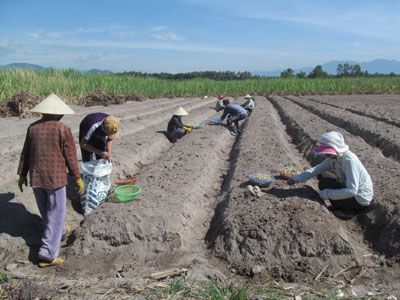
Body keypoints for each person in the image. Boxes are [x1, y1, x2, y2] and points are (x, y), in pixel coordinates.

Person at [17, 93, 84, 268]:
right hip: (56, 178)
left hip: (37, 177)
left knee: (47, 210)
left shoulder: (32, 128)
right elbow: (70, 157)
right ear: (58, 113)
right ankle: (47, 254)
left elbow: (26, 154)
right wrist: (77, 178)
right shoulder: (63, 129)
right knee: (56, 213)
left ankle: (61, 231)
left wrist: (22, 174)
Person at [288, 131, 373, 220]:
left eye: (327, 152)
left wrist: (328, 193)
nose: (326, 155)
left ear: (335, 148)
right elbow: (317, 169)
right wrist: (297, 178)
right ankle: (340, 205)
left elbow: (352, 190)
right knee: (323, 178)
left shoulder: (348, 161)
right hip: (349, 189)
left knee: (326, 185)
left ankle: (348, 211)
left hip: (359, 199)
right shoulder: (334, 157)